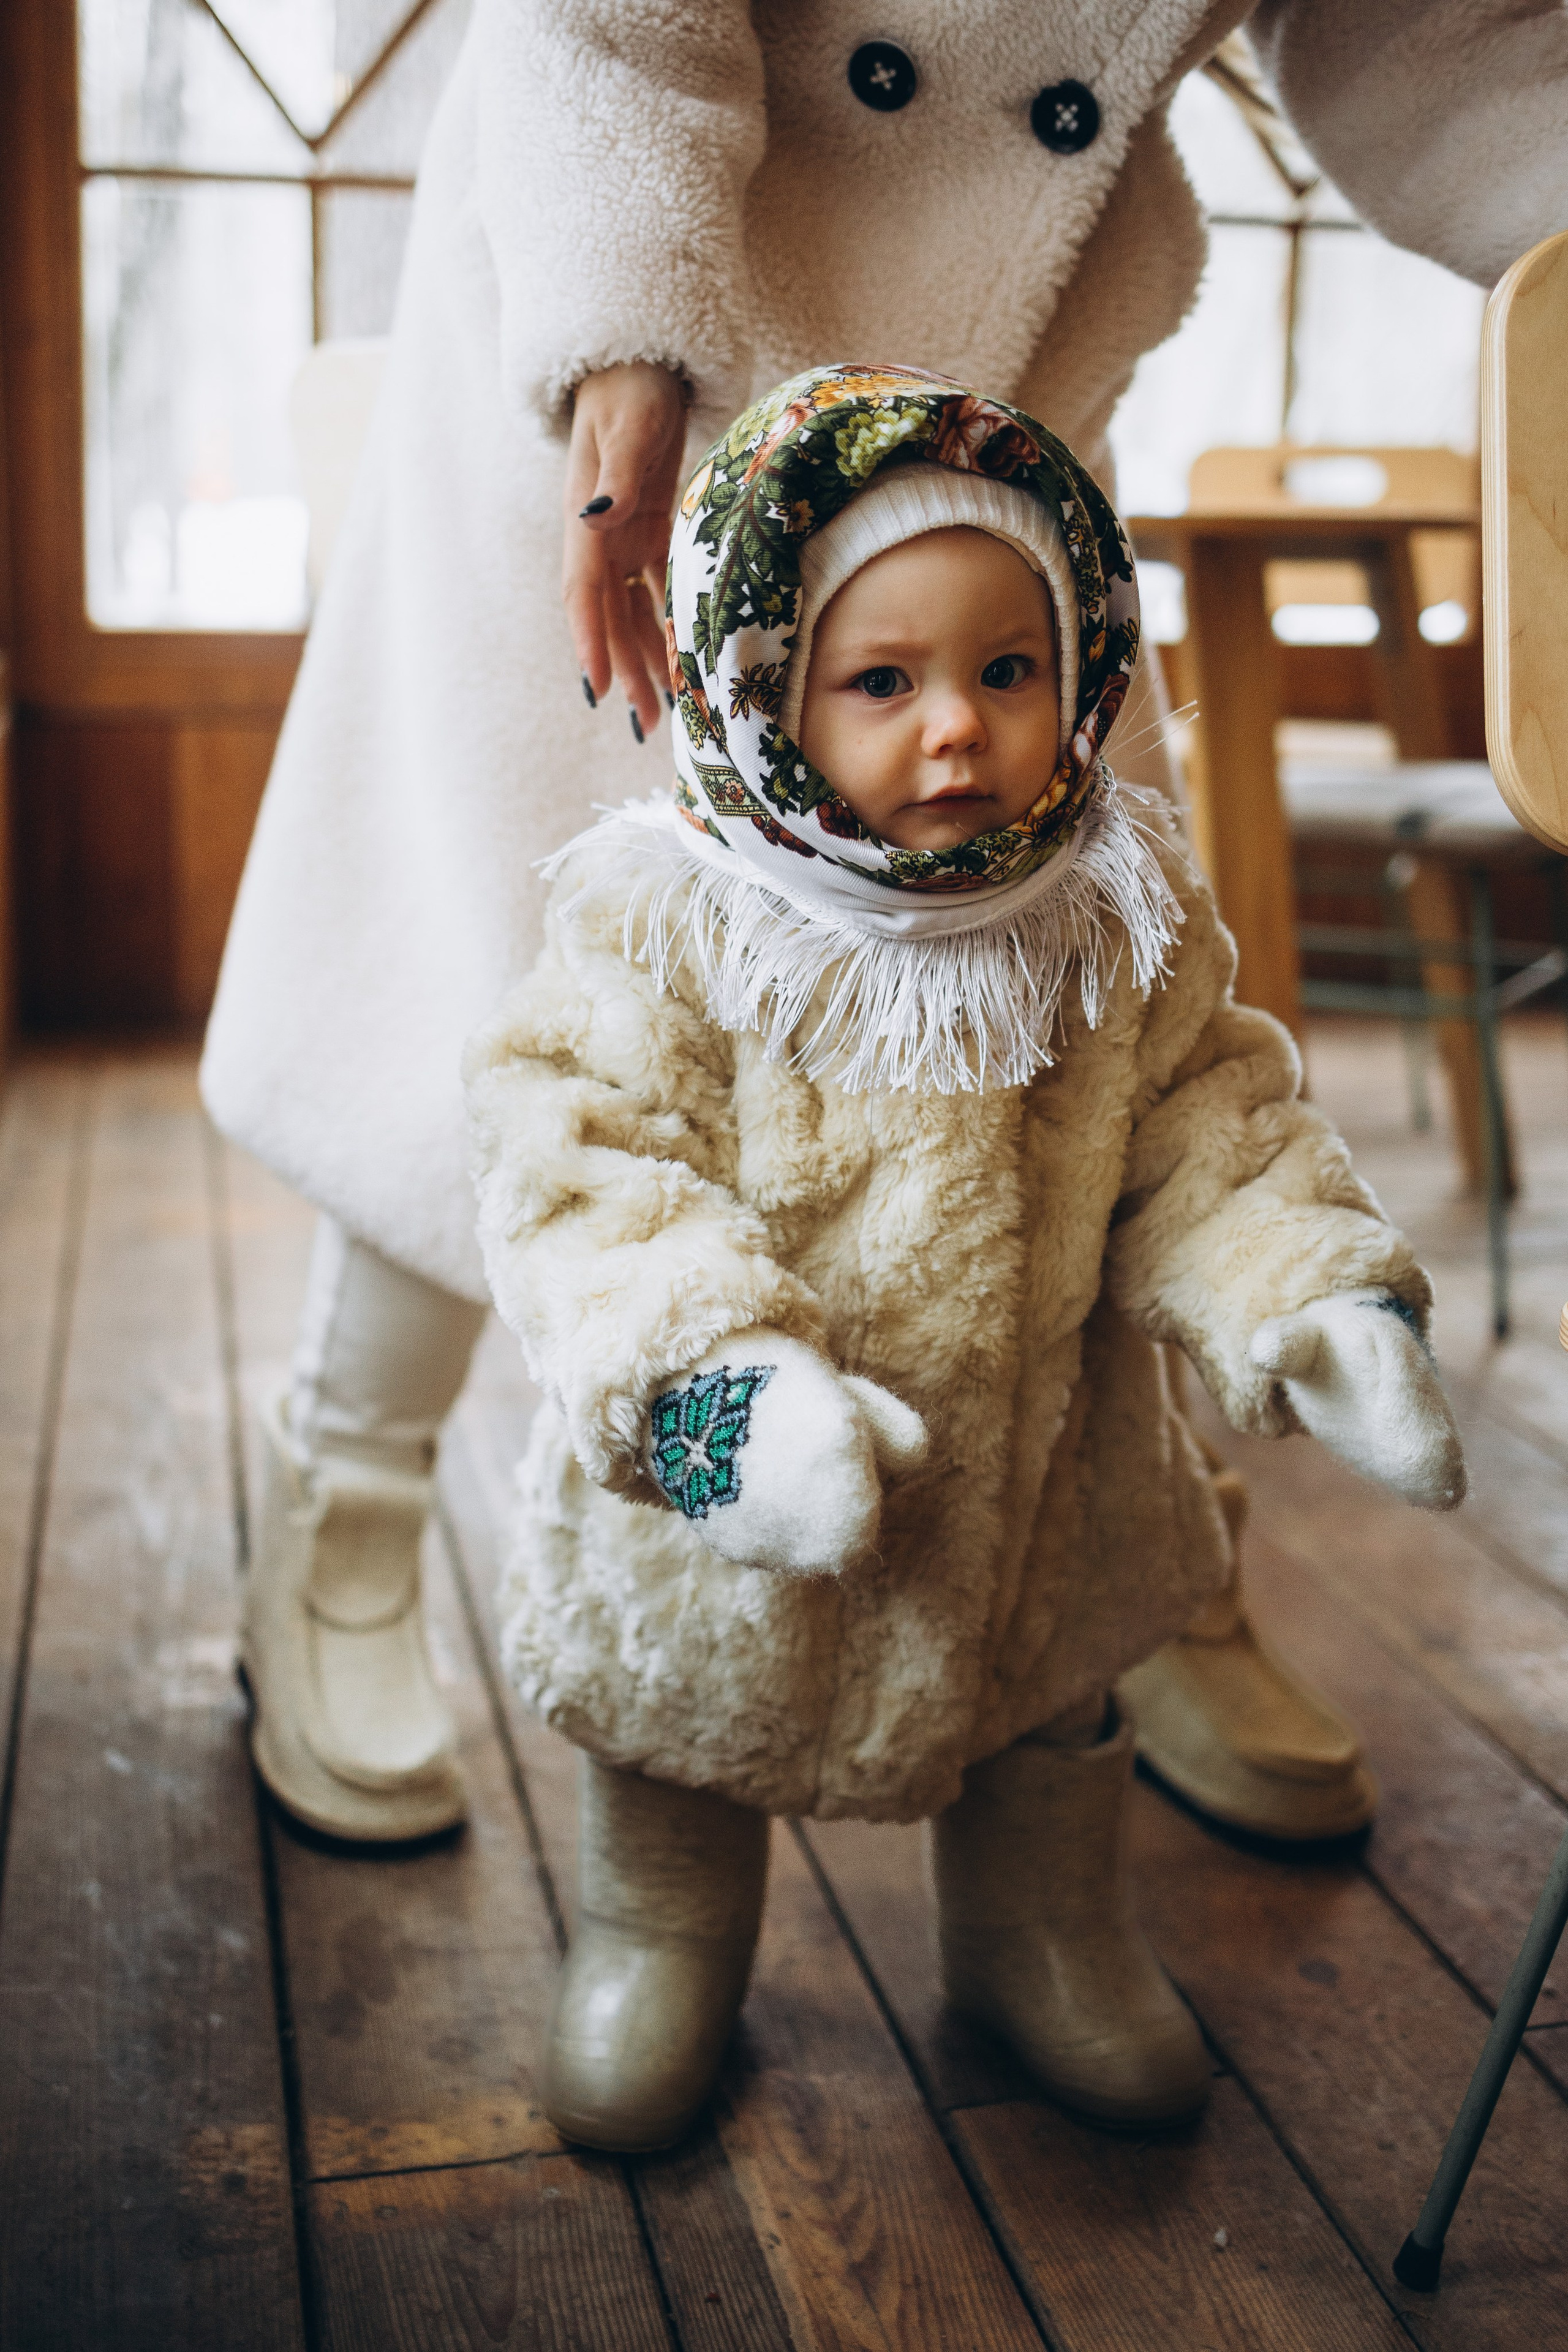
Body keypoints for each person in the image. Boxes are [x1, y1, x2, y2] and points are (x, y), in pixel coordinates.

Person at [202, 3, 1568, 1845]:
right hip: (645, 287)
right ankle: (349, 1504)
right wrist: (625, 323)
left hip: (996, 357)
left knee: (1092, 970)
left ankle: (1134, 1560)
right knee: (522, 979)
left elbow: (1432, 31)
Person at [462, 366, 1466, 2150]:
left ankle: (1039, 1934)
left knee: (1046, 1685)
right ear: (763, 687)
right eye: (883, 681)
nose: (958, 730)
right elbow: (580, 1173)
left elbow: (1209, 1127)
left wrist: (1306, 1293)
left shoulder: (1109, 917)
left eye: (1010, 671)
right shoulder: (669, 921)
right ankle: (656, 1931)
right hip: (744, 1474)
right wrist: (720, 1394)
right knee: (688, 1701)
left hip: (1044, 1467)